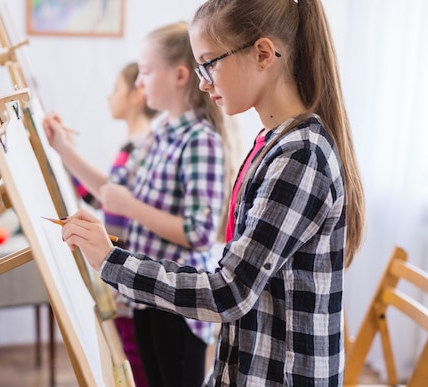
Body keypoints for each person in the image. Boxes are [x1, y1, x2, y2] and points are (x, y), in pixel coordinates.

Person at [59, 0, 365, 386]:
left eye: (210, 63)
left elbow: (229, 292)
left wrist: (111, 261)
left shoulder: (300, 156)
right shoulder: (273, 143)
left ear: (263, 55)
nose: (205, 82)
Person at [45, 22, 240, 387]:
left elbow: (198, 234)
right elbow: (112, 190)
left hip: (179, 306)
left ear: (180, 75)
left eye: (146, 72)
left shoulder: (201, 141)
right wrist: (62, 148)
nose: (139, 82)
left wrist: (132, 207)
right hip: (145, 293)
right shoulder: (160, 133)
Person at [45, 62, 157, 387]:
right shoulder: (133, 145)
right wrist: (64, 154)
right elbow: (103, 198)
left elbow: (113, 206)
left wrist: (65, 152)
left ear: (137, 95)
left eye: (116, 89)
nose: (109, 97)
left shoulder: (142, 146)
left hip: (132, 276)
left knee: (141, 369)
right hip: (126, 274)